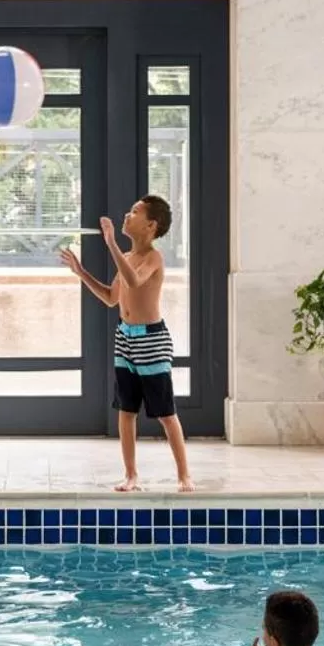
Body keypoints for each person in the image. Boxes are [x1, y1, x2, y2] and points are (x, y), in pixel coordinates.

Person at [58, 196, 193, 492]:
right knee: (126, 410)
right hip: (125, 338)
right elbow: (111, 297)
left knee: (165, 412)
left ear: (151, 225)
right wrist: (81, 273)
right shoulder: (128, 259)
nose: (126, 215)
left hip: (152, 340)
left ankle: (184, 474)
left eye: (134, 212)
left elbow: (133, 282)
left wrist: (110, 242)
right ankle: (131, 474)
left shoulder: (153, 258)